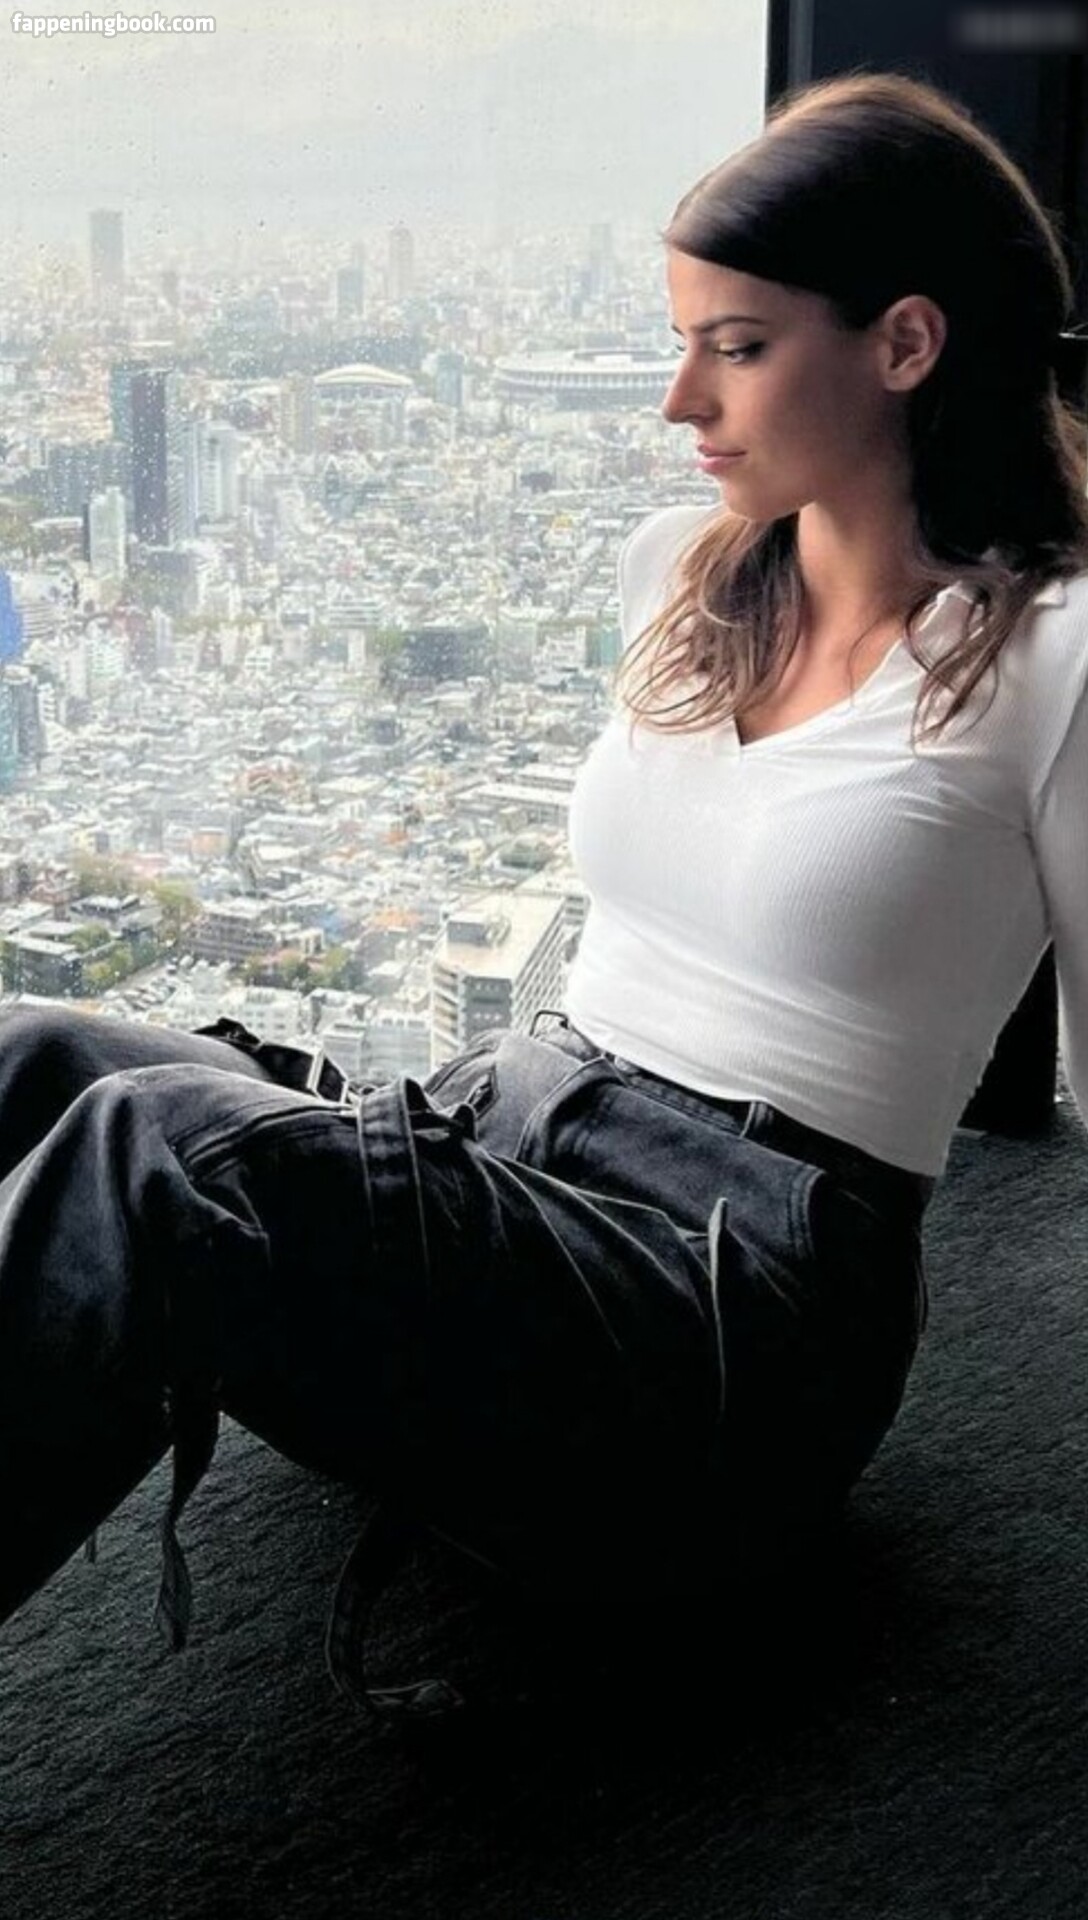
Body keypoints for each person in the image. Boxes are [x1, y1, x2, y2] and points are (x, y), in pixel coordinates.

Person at [1, 71, 1087, 1710]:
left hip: (730, 1326)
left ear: (907, 344)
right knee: (38, 1050)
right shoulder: (682, 573)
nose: (677, 399)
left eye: (736, 347)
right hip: (513, 1150)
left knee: (156, 1152)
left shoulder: (1057, 657)